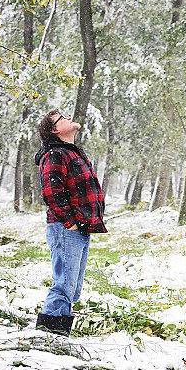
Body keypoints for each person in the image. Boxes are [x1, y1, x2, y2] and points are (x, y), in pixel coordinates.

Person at [34, 110, 107, 335]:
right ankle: (49, 335)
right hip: (65, 227)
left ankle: (59, 331)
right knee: (64, 284)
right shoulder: (55, 153)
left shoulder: (72, 153)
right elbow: (51, 191)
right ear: (55, 130)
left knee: (72, 288)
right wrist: (69, 222)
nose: (68, 117)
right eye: (61, 118)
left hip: (80, 228)